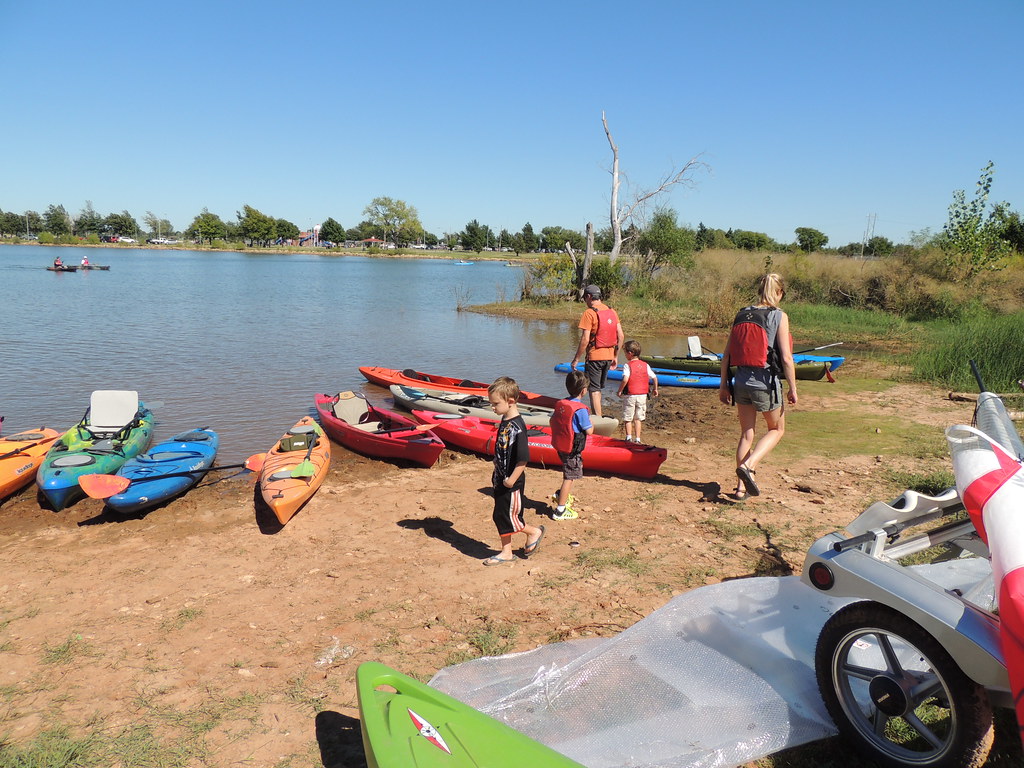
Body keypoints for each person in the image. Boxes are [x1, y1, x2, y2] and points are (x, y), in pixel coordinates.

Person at [719, 273, 798, 500]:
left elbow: (726, 356)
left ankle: (740, 489)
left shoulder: (741, 314)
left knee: (747, 433)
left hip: (740, 381)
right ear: (779, 292)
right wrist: (793, 388)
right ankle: (749, 466)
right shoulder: (779, 316)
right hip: (765, 382)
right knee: (776, 429)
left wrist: (723, 385)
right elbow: (786, 358)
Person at [483, 376, 545, 565]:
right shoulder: (505, 420)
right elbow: (504, 446)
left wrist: (511, 480)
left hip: (512, 482)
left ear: (510, 402)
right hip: (500, 477)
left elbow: (523, 459)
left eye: (495, 404)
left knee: (510, 516)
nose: (492, 407)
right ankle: (506, 551)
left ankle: (534, 532)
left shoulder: (518, 427)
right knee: (499, 515)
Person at [569, 284, 624, 419]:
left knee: (594, 390)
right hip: (609, 356)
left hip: (595, 356)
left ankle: (598, 420)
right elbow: (621, 336)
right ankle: (597, 415)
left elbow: (585, 339)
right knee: (598, 389)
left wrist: (576, 359)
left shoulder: (589, 313)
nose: (585, 302)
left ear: (589, 297)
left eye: (585, 299)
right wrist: (616, 356)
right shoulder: (612, 311)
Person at [549, 370, 594, 520]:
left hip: (561, 447)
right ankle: (560, 511)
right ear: (584, 391)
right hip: (572, 450)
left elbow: (552, 421)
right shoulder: (580, 410)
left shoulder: (562, 404)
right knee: (570, 477)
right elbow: (589, 431)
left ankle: (560, 495)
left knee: (567, 471)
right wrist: (591, 423)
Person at [617, 340, 659, 443]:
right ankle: (638, 439)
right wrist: (655, 389)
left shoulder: (628, 365)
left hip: (630, 395)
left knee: (628, 417)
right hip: (642, 395)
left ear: (630, 353)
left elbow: (625, 379)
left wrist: (620, 390)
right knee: (638, 418)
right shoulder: (645, 365)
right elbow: (654, 378)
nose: (625, 355)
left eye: (625, 353)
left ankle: (628, 438)